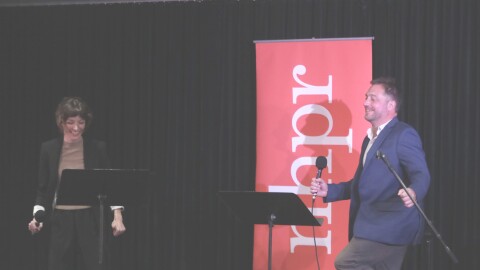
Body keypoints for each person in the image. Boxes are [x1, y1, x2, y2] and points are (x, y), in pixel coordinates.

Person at [311, 77, 431, 269]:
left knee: (345, 262)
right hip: (373, 224)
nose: (366, 102)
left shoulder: (403, 134)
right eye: (366, 97)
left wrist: (414, 191)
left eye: (373, 98)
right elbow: (360, 183)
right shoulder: (369, 140)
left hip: (390, 225)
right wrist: (330, 190)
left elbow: (421, 174)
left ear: (390, 105)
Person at [28, 97, 126, 270]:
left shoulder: (98, 148)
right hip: (60, 218)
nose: (76, 127)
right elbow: (43, 189)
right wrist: (37, 218)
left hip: (89, 218)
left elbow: (111, 184)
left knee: (97, 265)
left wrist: (118, 217)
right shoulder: (48, 149)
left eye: (81, 122)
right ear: (61, 122)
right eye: (70, 122)